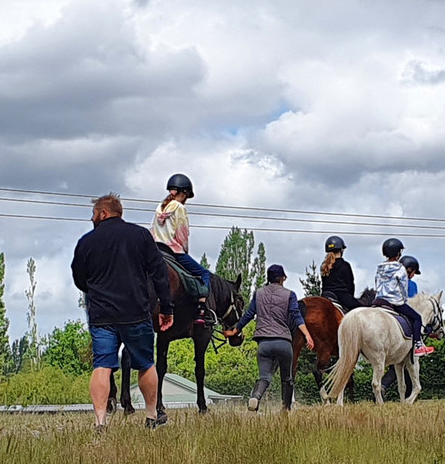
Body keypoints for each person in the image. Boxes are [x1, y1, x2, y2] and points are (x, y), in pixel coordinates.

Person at [71, 193, 175, 431]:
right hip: (136, 312)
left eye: (94, 213)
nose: (92, 218)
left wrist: (97, 291)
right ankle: (151, 417)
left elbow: (79, 279)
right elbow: (159, 272)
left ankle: (100, 422)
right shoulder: (140, 236)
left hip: (102, 316)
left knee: (102, 365)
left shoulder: (86, 242)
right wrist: (166, 307)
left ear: (104, 213)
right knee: (146, 364)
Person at [223, 264, 313, 412]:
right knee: (287, 378)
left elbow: (249, 315)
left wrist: (235, 330)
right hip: (284, 342)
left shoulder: (258, 293)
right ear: (282, 279)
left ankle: (255, 397)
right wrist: (307, 335)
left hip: (264, 343)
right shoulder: (290, 295)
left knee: (264, 377)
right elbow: (296, 316)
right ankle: (285, 409)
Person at [149, 173, 213, 325]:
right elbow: (182, 233)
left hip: (155, 250)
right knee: (204, 273)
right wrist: (185, 250)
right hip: (173, 251)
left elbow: (152, 230)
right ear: (184, 193)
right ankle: (201, 309)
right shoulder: (180, 208)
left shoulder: (159, 208)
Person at [373, 239, 434, 358]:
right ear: (398, 253)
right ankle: (418, 346)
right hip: (395, 302)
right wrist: (404, 301)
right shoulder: (400, 268)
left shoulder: (380, 267)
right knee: (417, 318)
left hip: (378, 300)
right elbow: (403, 288)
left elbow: (377, 283)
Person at [320, 235, 361, 310]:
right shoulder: (345, 265)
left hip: (325, 296)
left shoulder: (324, 266)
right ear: (341, 250)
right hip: (342, 296)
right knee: (361, 309)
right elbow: (350, 285)